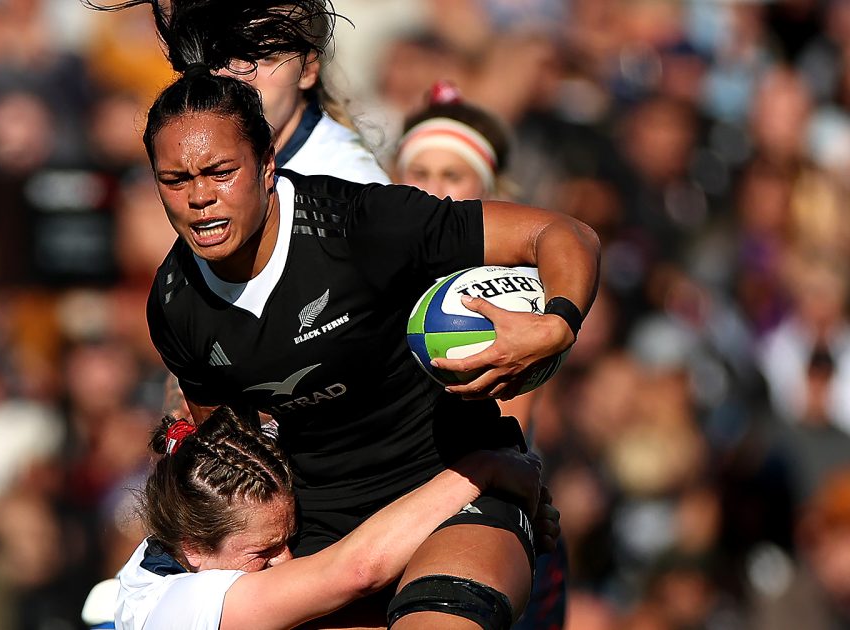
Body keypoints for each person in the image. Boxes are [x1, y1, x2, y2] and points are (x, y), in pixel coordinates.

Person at [140, 50, 600, 630]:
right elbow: (236, 457)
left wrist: (556, 322)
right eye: (175, 180)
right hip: (318, 531)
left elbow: (561, 232)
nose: (199, 197)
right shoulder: (176, 304)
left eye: (220, 172)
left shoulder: (359, 224)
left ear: (267, 164)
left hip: (461, 483)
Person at [115, 406, 554, 630]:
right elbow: (356, 571)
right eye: (262, 552)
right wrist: (486, 471)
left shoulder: (226, 484)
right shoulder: (172, 612)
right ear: (193, 549)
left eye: (287, 538)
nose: (286, 559)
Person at [393, 81, 569, 630]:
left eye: (453, 174)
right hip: (397, 509)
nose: (434, 189)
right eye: (419, 172)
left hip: (485, 508)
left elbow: (509, 426)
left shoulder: (518, 297)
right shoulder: (370, 277)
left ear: (490, 189)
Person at [85, 0, 389, 185]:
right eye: (227, 54)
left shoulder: (348, 182)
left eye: (267, 57)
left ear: (308, 70)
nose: (241, 74)